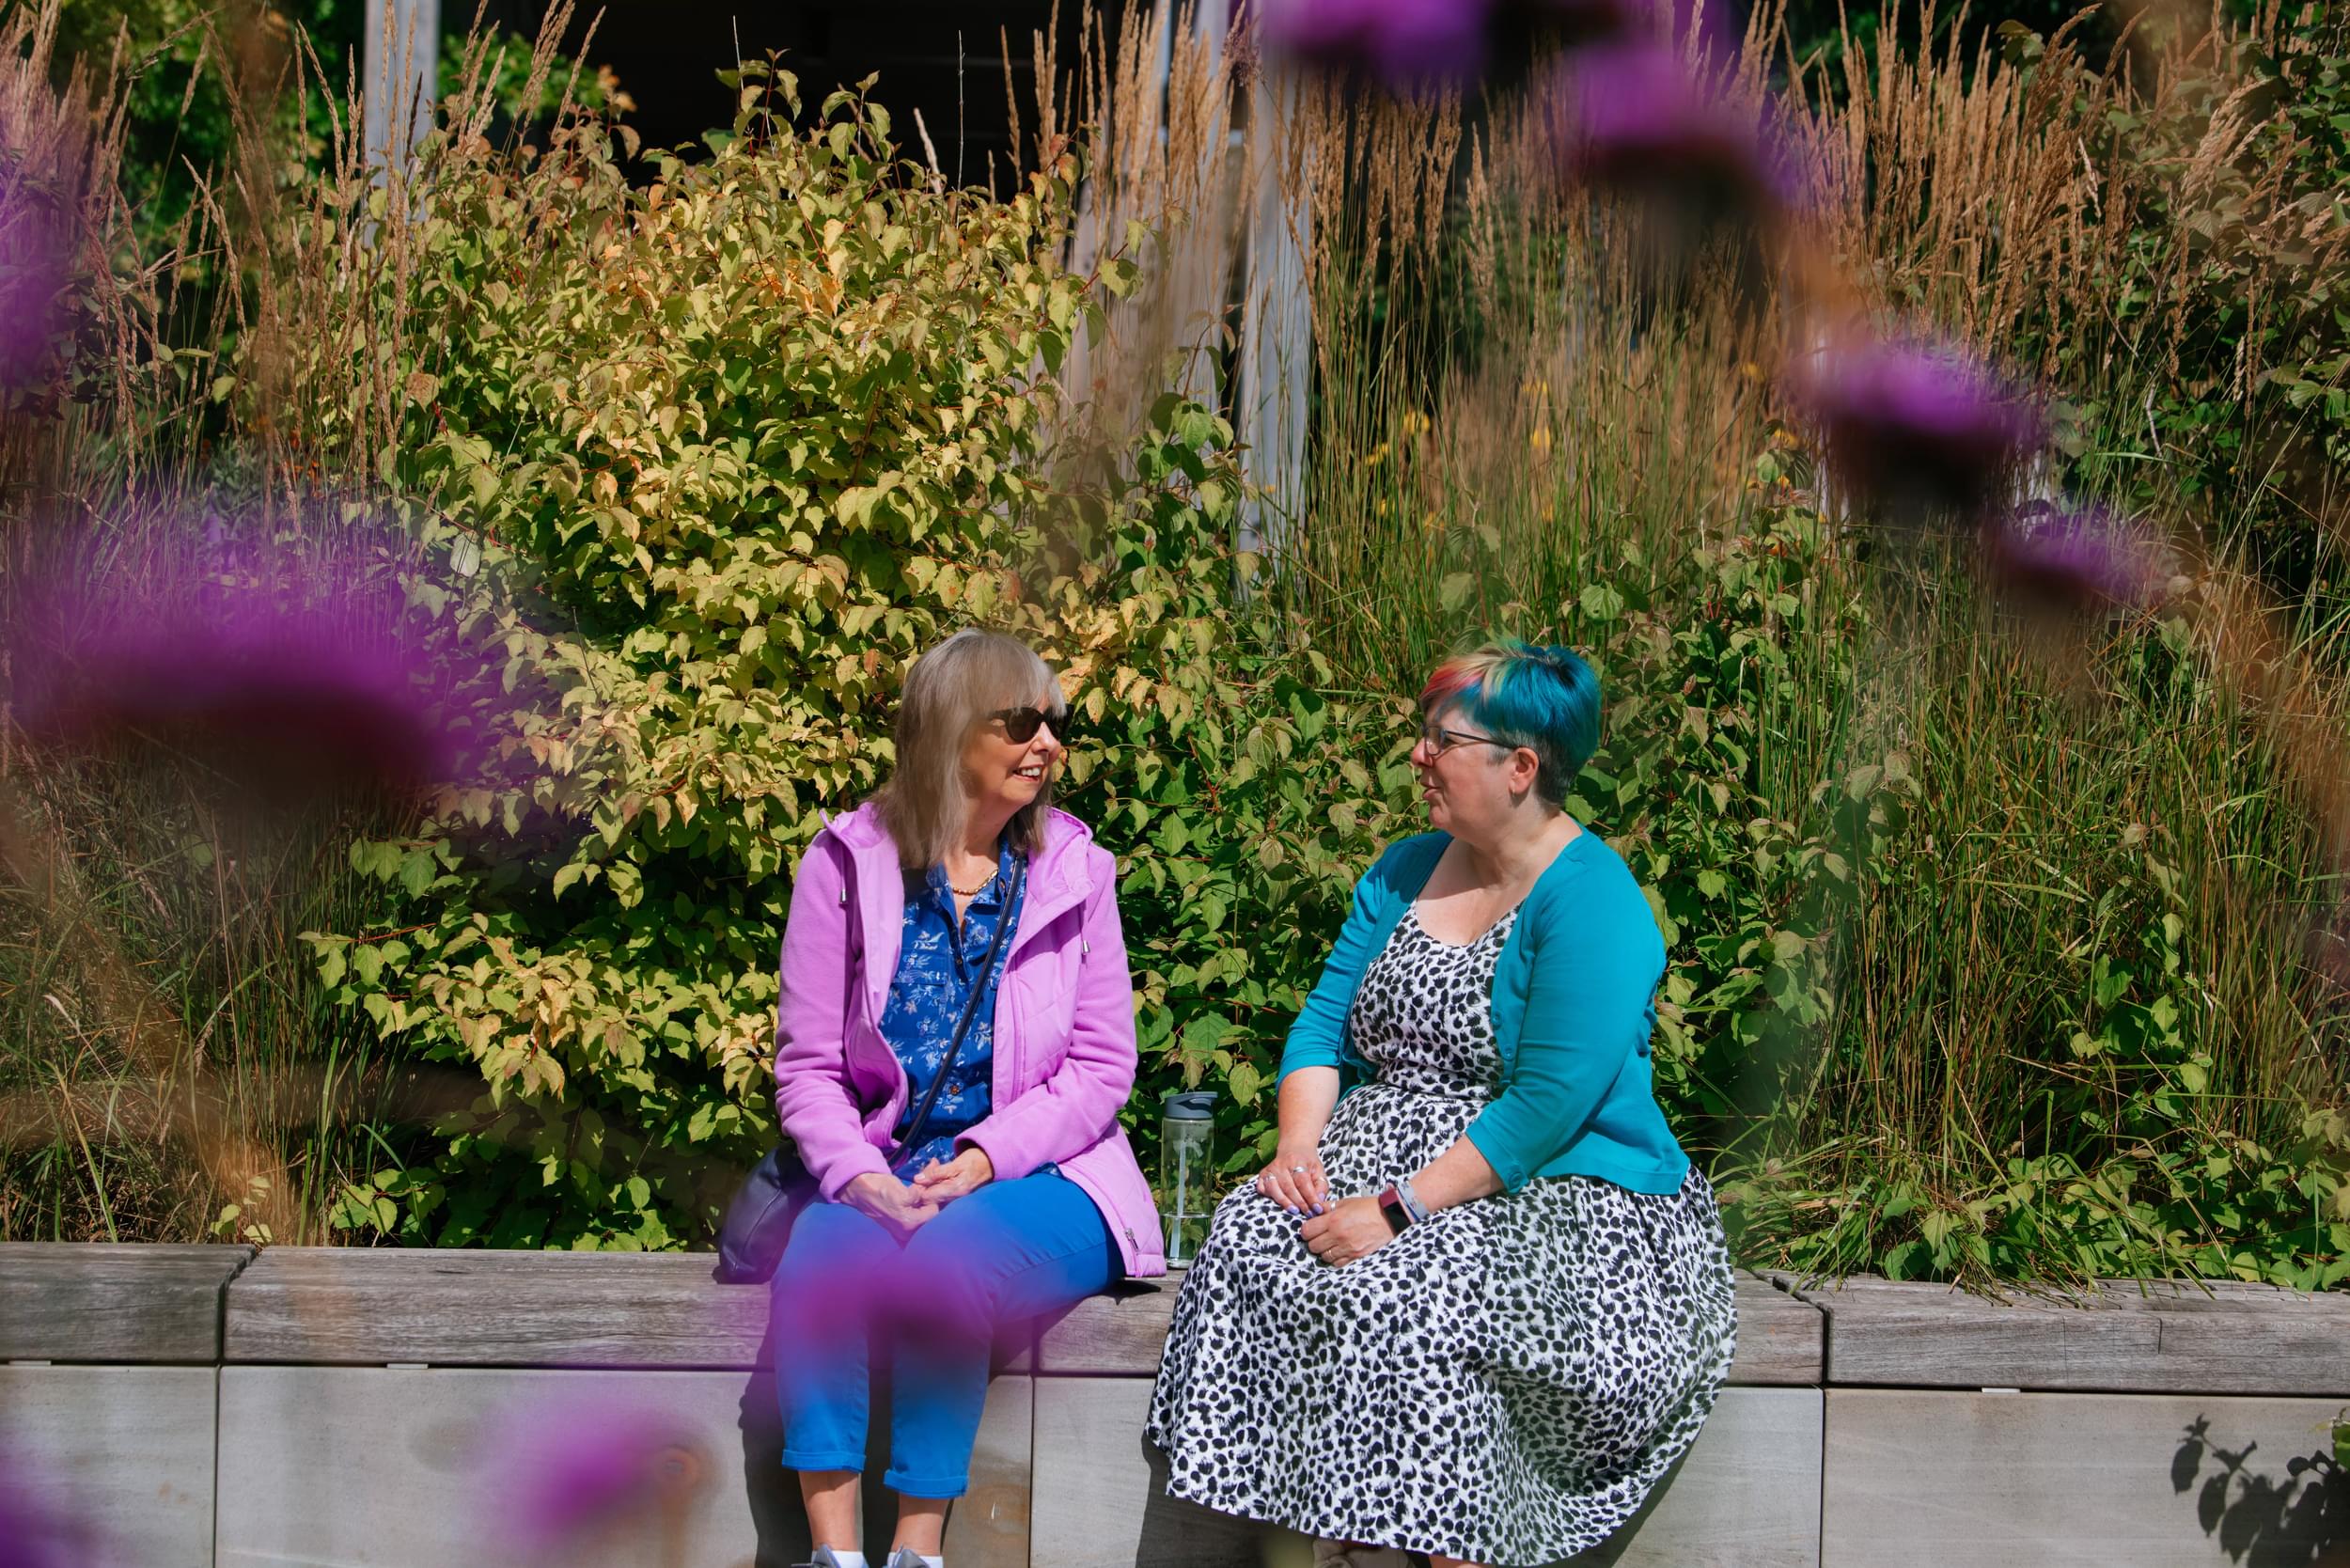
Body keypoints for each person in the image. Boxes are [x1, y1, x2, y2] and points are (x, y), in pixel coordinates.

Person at [1147, 637, 1736, 1568]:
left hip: (1552, 1192)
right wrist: (1299, 1147)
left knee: (1418, 1293)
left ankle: (1441, 1549)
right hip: (1381, 1159)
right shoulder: (1408, 865)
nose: (1416, 756)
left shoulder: (1592, 898)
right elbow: (1319, 1031)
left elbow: (1545, 1103)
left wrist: (1397, 1207)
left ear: (1520, 768)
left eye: (1440, 740)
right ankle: (1321, 1545)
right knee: (1251, 1237)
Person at [771, 629, 1165, 1568]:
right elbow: (809, 1068)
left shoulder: (1075, 870)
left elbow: (1104, 1068)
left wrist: (987, 1157)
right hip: (887, 1164)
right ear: (951, 734)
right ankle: (833, 1557)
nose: (1049, 745)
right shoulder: (846, 864)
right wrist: (857, 1177)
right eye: (1022, 722)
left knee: (947, 1267)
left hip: (1049, 1174)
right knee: (816, 1268)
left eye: (1054, 723)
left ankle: (916, 1550)